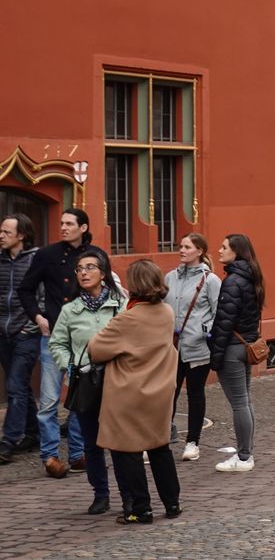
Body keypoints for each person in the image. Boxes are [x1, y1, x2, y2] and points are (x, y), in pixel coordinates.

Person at [87, 260, 181, 524]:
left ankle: (141, 508)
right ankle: (172, 503)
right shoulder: (166, 312)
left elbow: (97, 349)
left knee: (127, 450)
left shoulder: (127, 319)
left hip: (128, 394)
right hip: (159, 391)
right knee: (159, 447)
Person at [18, 208, 108, 478]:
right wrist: (37, 316)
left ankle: (79, 453)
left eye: (69, 223)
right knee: (47, 401)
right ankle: (50, 456)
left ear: (83, 227)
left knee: (82, 398)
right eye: (61, 223)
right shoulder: (46, 255)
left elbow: (108, 289)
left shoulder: (95, 256)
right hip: (53, 337)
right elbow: (25, 289)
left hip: (84, 340)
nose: (63, 227)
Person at [49, 251, 124, 515]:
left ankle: (128, 494)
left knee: (119, 441)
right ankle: (100, 494)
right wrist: (70, 365)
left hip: (117, 381)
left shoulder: (119, 304)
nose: (83, 272)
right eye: (80, 268)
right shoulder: (70, 310)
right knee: (92, 443)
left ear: (103, 273)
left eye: (90, 267)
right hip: (84, 382)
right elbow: (57, 343)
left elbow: (131, 337)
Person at [209, 234, 265, 472]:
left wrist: (215, 356)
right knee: (245, 400)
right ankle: (246, 452)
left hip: (233, 347)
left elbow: (224, 322)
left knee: (240, 403)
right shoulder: (251, 276)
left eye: (224, 247)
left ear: (236, 251)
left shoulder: (233, 281)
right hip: (246, 344)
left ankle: (244, 457)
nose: (219, 251)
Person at [164, 233, 222, 461]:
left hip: (198, 348)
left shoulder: (211, 280)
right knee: (169, 393)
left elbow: (218, 313)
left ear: (199, 251)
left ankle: (193, 442)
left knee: (195, 394)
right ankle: (162, 437)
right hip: (172, 347)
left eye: (187, 247)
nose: (182, 250)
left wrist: (205, 332)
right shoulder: (169, 278)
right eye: (180, 246)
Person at [0, 213, 40, 462]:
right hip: (3, 333)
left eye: (6, 232)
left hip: (26, 333)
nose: (1, 236)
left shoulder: (36, 260)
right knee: (21, 387)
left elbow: (44, 296)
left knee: (15, 386)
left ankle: (8, 440)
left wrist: (31, 325)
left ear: (21, 236)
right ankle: (34, 433)